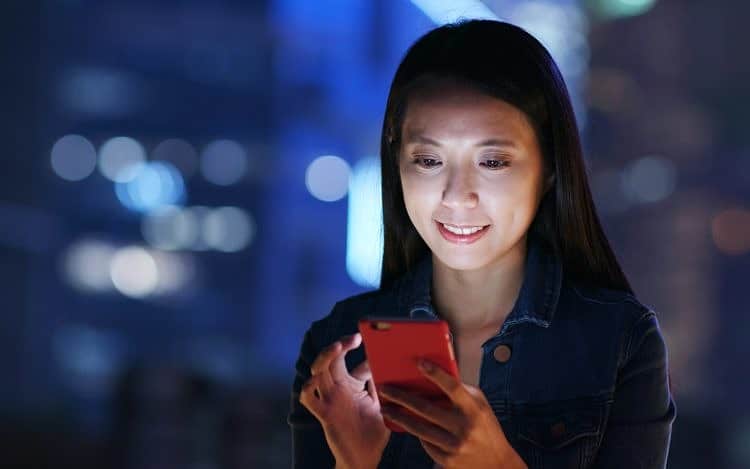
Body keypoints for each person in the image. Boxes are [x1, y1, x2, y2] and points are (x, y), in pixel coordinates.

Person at [287, 19, 676, 469]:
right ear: (396, 162)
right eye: (428, 160)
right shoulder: (340, 348)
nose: (456, 195)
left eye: (492, 161)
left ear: (550, 167)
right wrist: (355, 462)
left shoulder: (619, 343)